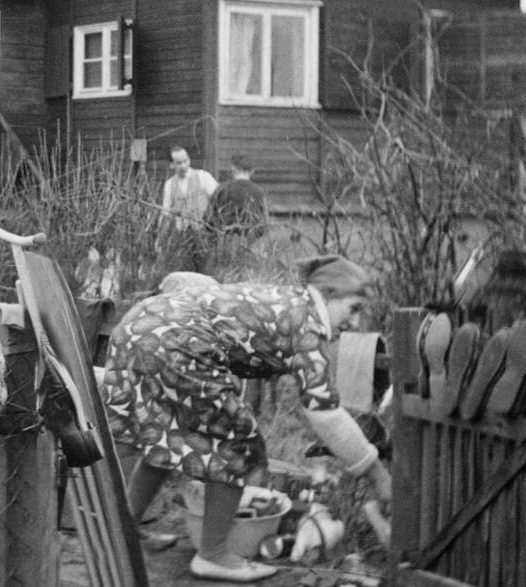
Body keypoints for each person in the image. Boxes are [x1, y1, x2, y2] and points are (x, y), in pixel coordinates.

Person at [102, 256, 393, 583]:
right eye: (353, 309)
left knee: (169, 436)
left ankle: (121, 530)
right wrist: (377, 474)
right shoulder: (307, 325)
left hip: (140, 324)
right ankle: (212, 556)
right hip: (176, 340)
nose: (355, 323)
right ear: (326, 294)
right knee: (239, 442)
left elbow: (310, 403)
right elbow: (324, 414)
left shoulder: (289, 302)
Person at [206, 154, 269, 239]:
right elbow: (264, 224)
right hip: (250, 242)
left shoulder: (221, 189)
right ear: (252, 171)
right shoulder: (259, 192)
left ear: (233, 169)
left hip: (224, 240)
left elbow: (208, 219)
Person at [159, 145, 218, 233]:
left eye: (185, 161)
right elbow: (166, 212)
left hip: (204, 232)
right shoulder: (169, 184)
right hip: (181, 235)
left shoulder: (203, 176)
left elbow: (219, 199)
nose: (183, 166)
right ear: (172, 165)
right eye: (179, 163)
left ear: (189, 160)